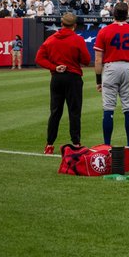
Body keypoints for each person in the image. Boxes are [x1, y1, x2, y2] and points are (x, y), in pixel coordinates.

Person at [35, 12, 91, 153]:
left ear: (61, 24)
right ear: (75, 26)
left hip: (57, 78)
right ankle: (76, 144)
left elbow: (39, 59)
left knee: (55, 112)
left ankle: (49, 144)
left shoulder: (51, 39)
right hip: (73, 78)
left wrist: (54, 67)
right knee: (74, 112)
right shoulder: (77, 40)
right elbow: (85, 60)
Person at [93, 2, 129, 151]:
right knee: (128, 108)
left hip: (110, 67)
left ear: (113, 14)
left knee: (108, 109)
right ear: (127, 14)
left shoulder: (104, 31)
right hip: (127, 66)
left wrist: (98, 81)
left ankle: (107, 145)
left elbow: (98, 59)